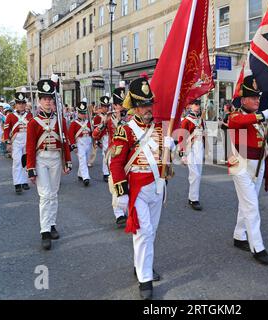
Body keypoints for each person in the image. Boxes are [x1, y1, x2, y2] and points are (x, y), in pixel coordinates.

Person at [109, 76, 175, 300]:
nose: (148, 109)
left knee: (151, 232)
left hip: (158, 187)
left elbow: (165, 160)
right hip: (136, 188)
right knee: (144, 231)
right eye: (143, 105)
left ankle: (140, 265)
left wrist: (171, 147)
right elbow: (116, 164)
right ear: (135, 107)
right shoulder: (125, 131)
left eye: (149, 104)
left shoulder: (160, 129)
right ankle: (144, 278)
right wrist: (121, 194)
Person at [227, 75, 268, 266]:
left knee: (248, 203)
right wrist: (263, 115)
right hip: (240, 164)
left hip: (258, 163)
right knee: (252, 207)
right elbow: (238, 122)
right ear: (243, 99)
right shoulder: (235, 115)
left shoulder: (257, 118)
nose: (257, 100)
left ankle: (239, 235)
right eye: (253, 97)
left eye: (258, 97)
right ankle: (258, 247)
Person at [26, 79, 72, 251]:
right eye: (44, 98)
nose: (47, 101)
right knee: (45, 195)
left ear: (53, 100)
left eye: (49, 98)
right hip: (41, 159)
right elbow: (30, 147)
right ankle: (44, 231)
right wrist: (30, 168)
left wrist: (67, 161)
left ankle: (52, 224)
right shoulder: (33, 122)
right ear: (39, 101)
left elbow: (65, 141)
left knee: (53, 193)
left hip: (55, 158)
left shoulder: (59, 120)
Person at [93, 87, 128, 227]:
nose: (122, 107)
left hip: (129, 156)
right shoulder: (108, 119)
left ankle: (127, 209)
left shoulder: (130, 118)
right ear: (114, 105)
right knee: (115, 183)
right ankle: (119, 213)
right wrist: (102, 123)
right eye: (119, 104)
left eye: (124, 104)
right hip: (113, 155)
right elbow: (95, 135)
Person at [178, 99, 206, 211]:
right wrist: (183, 153)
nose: (197, 106)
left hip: (199, 148)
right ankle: (194, 199)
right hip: (190, 148)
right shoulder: (186, 120)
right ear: (190, 106)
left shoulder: (200, 119)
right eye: (195, 104)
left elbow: (204, 134)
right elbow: (182, 137)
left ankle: (192, 197)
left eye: (198, 104)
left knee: (197, 173)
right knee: (195, 174)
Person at [4, 93, 34, 194]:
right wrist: (8, 143)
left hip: (27, 140)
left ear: (25, 104)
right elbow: (6, 130)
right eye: (19, 103)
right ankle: (17, 183)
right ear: (15, 105)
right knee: (17, 161)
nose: (21, 105)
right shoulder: (11, 116)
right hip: (16, 140)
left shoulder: (29, 115)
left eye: (22, 103)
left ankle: (24, 181)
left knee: (26, 161)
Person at [68, 101, 93, 187]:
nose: (83, 115)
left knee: (85, 160)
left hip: (88, 142)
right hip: (80, 143)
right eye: (81, 113)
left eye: (84, 113)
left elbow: (92, 133)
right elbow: (70, 135)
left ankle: (80, 174)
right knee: (82, 160)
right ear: (77, 112)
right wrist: (73, 145)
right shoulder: (74, 123)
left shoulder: (88, 122)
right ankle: (86, 177)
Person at [93, 96, 111, 182]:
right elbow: (95, 131)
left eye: (107, 106)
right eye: (104, 106)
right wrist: (97, 141)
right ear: (101, 106)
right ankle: (106, 173)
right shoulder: (97, 117)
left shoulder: (112, 115)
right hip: (104, 138)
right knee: (105, 155)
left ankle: (111, 171)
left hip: (112, 137)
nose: (106, 108)